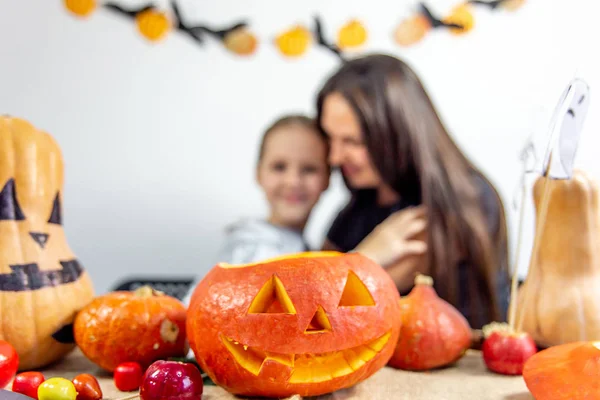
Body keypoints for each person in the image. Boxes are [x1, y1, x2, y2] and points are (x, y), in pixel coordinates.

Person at [316, 54, 511, 329]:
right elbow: (315, 299)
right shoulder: (358, 206)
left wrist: (359, 262)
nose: (334, 157)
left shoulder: (461, 201)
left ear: (397, 132)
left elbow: (340, 306)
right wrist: (368, 256)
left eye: (353, 141)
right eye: (329, 137)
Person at [183, 114, 330, 306]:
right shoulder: (253, 250)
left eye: (309, 169)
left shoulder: (304, 247)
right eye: (279, 167)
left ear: (328, 178)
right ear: (259, 173)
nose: (293, 181)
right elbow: (196, 308)